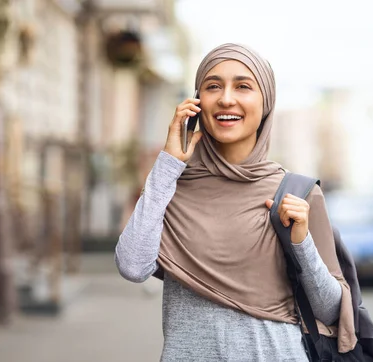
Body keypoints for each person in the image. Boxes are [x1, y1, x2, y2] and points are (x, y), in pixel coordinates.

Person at [115, 43, 357, 361]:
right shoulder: (171, 189)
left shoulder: (298, 193)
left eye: (243, 86)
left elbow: (330, 310)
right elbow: (132, 266)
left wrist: (302, 243)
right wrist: (168, 164)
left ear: (266, 101)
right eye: (213, 86)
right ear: (197, 101)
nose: (227, 98)